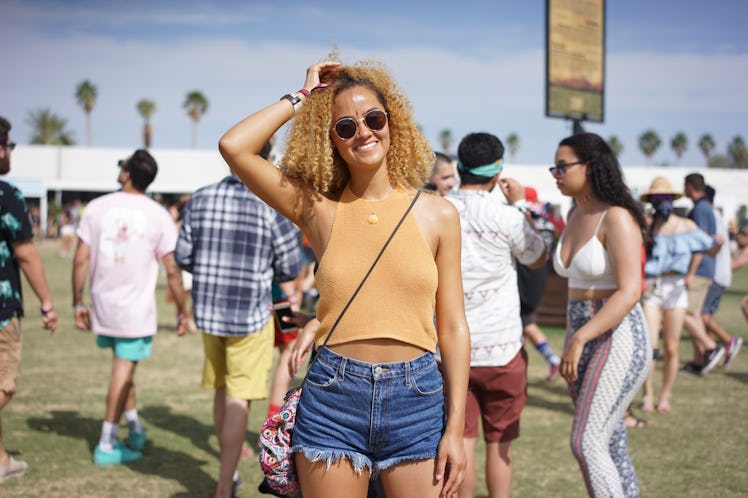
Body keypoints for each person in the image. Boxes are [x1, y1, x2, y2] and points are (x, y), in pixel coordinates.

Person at [219, 60, 470, 498]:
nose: (364, 132)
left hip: (417, 397)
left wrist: (455, 428)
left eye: (374, 119)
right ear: (330, 140)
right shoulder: (318, 209)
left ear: (393, 122)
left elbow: (452, 326)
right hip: (334, 395)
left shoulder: (439, 214)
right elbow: (235, 147)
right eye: (345, 127)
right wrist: (302, 97)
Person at [175, 139, 302, 498]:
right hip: (251, 315)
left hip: (209, 313)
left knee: (221, 389)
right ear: (266, 160)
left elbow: (183, 254)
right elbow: (290, 266)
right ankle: (223, 484)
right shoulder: (270, 204)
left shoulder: (200, 198)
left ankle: (226, 475)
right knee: (239, 397)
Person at [445, 133, 547, 498]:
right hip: (502, 348)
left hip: (451, 348)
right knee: (500, 445)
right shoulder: (506, 216)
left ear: (459, 167)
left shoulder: (438, 209)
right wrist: (520, 205)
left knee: (463, 441)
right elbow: (537, 256)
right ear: (497, 171)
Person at [551, 132, 651, 498]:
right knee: (610, 442)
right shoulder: (574, 211)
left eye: (562, 166)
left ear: (589, 166)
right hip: (580, 329)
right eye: (554, 167)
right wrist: (574, 338)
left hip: (616, 333)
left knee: (587, 441)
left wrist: (579, 338)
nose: (555, 173)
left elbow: (630, 291)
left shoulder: (618, 217)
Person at [72, 149, 187, 466]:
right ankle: (107, 443)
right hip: (134, 312)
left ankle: (134, 429)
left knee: (125, 368)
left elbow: (80, 258)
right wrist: (182, 311)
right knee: (123, 371)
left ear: (126, 174)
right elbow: (172, 269)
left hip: (104, 306)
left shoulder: (96, 207)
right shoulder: (159, 215)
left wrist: (76, 302)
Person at [0, 116, 58, 483]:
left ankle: (3, 460)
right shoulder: (7, 194)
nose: (10, 153)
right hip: (2, 312)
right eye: (8, 144)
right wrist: (48, 303)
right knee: (4, 385)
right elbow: (26, 254)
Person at [638, 177, 714, 414]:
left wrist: (691, 274)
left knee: (672, 347)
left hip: (676, 286)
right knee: (650, 346)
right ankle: (647, 394)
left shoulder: (685, 225)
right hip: (651, 286)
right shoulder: (648, 225)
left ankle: (665, 396)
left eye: (666, 198)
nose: (662, 203)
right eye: (657, 199)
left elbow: (706, 247)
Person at [681, 173, 725, 374]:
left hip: (698, 269)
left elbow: (699, 243)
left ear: (690, 186)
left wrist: (689, 272)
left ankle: (710, 347)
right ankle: (700, 359)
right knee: (694, 313)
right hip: (705, 268)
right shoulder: (706, 207)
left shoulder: (700, 209)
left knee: (684, 312)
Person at [517, 186, 562, 382]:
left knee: (525, 321)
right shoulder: (548, 221)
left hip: (525, 275)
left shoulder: (523, 217)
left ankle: (553, 359)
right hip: (540, 275)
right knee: (522, 323)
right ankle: (521, 366)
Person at [699, 186, 742, 366]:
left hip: (715, 274)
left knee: (701, 315)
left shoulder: (709, 215)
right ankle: (707, 354)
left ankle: (728, 341)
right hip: (719, 273)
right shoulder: (715, 214)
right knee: (706, 315)